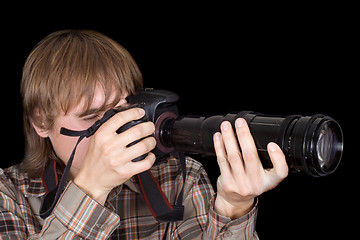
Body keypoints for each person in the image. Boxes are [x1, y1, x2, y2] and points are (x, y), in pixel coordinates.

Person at [0, 30, 288, 239]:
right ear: (40, 121)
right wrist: (91, 188)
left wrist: (234, 208)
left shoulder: (181, 179)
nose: (112, 131)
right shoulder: (8, 194)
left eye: (122, 109)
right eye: (91, 117)